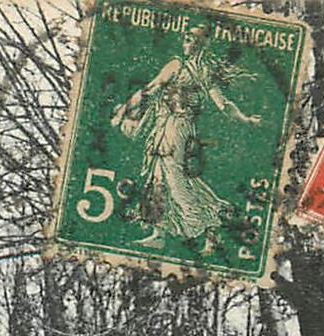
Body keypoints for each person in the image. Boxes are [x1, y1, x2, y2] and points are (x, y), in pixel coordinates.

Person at [112, 24, 262, 248]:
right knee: (158, 177)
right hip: (169, 126)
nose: (185, 42)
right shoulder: (198, 70)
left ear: (200, 43)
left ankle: (208, 220)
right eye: (185, 38)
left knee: (173, 179)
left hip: (174, 128)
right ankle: (169, 233)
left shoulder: (182, 67)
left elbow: (222, 104)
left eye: (190, 39)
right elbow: (150, 90)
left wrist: (245, 119)